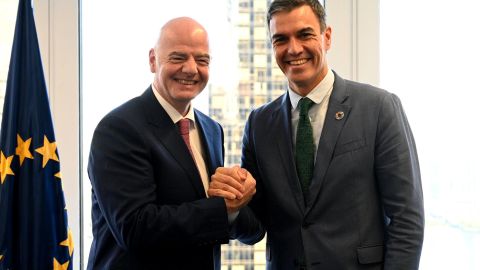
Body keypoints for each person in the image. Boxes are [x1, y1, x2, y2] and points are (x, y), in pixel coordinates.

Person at [208, 0, 424, 269]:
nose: (293, 48)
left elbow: (407, 218)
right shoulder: (259, 123)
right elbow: (254, 228)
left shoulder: (379, 107)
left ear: (327, 36)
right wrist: (232, 206)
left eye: (304, 34)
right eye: (281, 39)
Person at [87, 17, 263, 270]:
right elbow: (135, 228)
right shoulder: (118, 128)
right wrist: (222, 207)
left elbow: (248, 229)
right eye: (178, 57)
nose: (191, 69)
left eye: (202, 60)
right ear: (152, 60)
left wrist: (238, 197)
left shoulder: (212, 130)